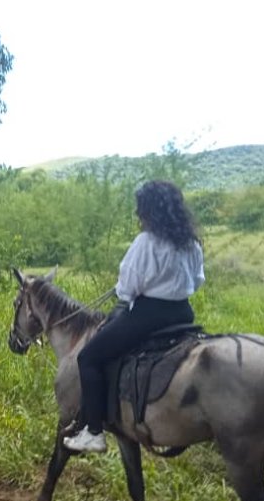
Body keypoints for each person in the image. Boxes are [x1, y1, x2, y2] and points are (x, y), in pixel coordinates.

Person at [64, 180, 205, 453]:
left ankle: (93, 432)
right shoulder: (190, 243)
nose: (138, 215)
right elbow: (198, 281)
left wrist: (124, 291)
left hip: (148, 315)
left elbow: (127, 289)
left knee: (89, 357)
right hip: (184, 314)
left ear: (149, 211)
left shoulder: (146, 242)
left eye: (140, 209)